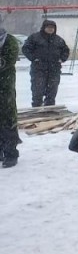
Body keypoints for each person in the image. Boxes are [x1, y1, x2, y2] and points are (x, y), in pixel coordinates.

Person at [22, 19, 70, 107]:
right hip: (38, 69)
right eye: (48, 27)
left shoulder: (58, 40)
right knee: (37, 91)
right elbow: (26, 48)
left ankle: (49, 110)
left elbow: (65, 50)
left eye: (52, 28)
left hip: (54, 70)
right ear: (44, 27)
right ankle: (36, 110)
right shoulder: (35, 37)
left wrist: (62, 59)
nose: (50, 29)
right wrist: (33, 58)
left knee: (52, 92)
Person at [0, 16, 19, 168]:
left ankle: (11, 154)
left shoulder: (9, 40)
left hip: (5, 89)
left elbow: (7, 61)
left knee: (7, 121)